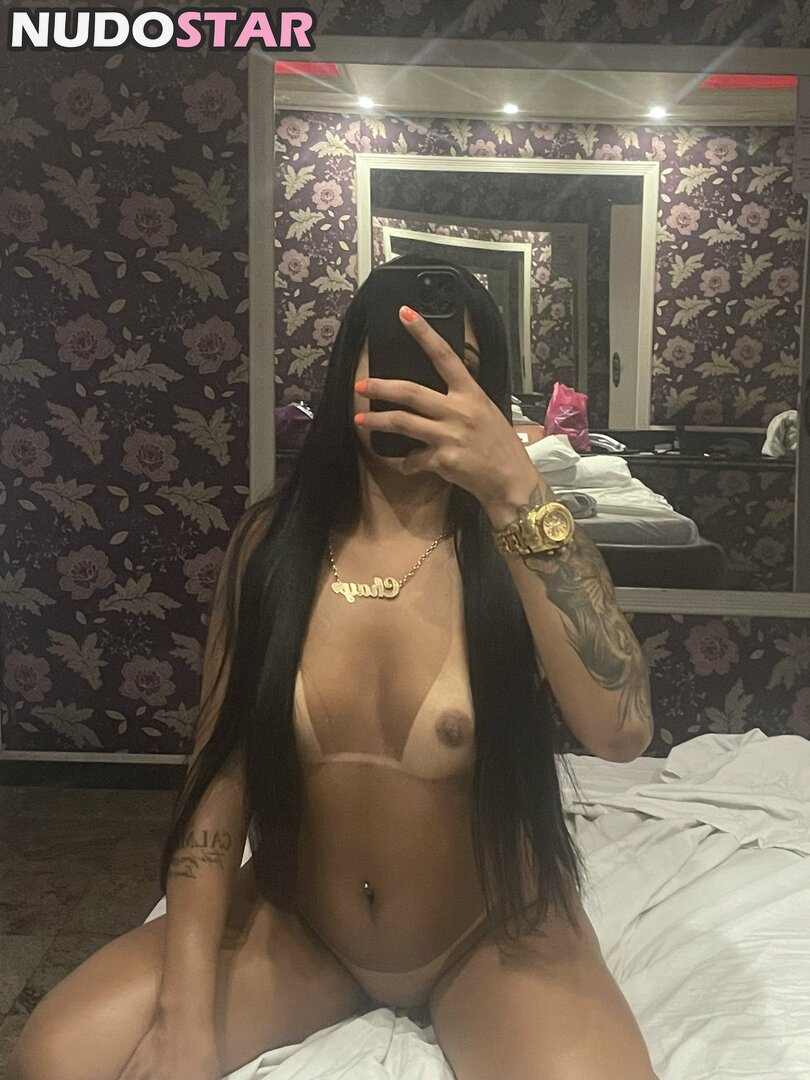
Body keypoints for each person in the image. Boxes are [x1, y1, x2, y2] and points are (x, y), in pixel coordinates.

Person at [9, 255, 657, 1080]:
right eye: (394, 356)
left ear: (488, 394)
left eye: (450, 366)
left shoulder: (524, 541)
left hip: (489, 935)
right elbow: (219, 777)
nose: (415, 388)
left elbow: (622, 732)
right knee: (54, 1060)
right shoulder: (270, 547)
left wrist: (516, 491)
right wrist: (183, 1013)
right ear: (349, 367)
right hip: (300, 929)